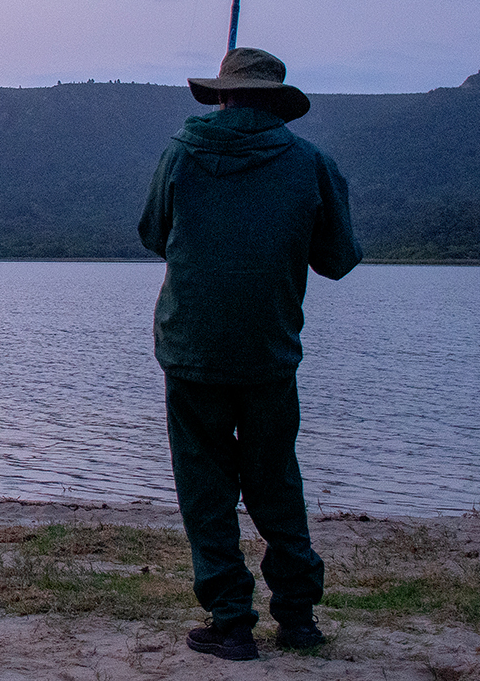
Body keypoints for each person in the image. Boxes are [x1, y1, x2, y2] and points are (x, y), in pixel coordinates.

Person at [138, 47, 362, 660]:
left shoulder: (180, 153)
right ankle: (298, 617)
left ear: (223, 95)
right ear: (275, 102)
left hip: (191, 350)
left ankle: (232, 621)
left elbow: (154, 234)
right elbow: (338, 260)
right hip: (269, 354)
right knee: (275, 480)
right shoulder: (311, 162)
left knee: (205, 488)